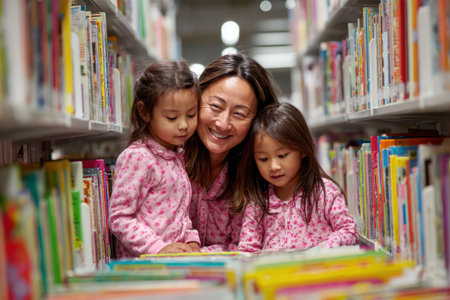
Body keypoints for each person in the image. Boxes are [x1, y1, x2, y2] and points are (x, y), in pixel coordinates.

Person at [184, 53, 279, 252]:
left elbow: (250, 248)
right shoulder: (168, 157)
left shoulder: (265, 173)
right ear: (197, 99)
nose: (223, 123)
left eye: (239, 114)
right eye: (216, 106)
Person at [109, 59, 201, 257]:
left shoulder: (176, 154)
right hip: (144, 267)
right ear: (144, 112)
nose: (184, 125)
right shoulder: (138, 158)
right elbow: (120, 217)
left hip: (172, 263)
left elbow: (178, 214)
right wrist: (157, 248)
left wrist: (191, 239)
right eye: (172, 117)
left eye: (191, 115)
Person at [237, 102, 358, 252]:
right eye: (263, 159)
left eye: (282, 155)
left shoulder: (324, 192)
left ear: (302, 150)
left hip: (317, 271)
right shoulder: (258, 202)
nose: (273, 166)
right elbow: (247, 249)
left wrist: (319, 251)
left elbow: (348, 230)